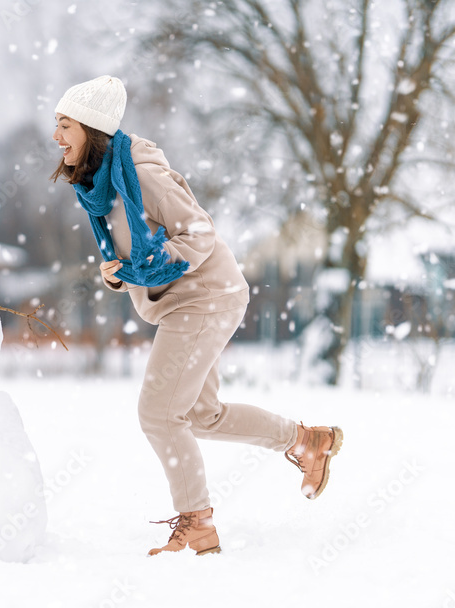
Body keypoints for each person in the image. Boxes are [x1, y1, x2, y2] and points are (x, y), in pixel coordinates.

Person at [50, 75, 344, 556]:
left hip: (204, 296)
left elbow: (199, 234)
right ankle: (308, 441)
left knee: (160, 414)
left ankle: (197, 525)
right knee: (201, 416)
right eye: (57, 126)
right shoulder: (101, 185)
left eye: (65, 125)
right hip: (188, 300)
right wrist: (117, 274)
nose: (57, 137)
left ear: (91, 130)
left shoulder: (141, 175)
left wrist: (146, 263)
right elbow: (134, 254)